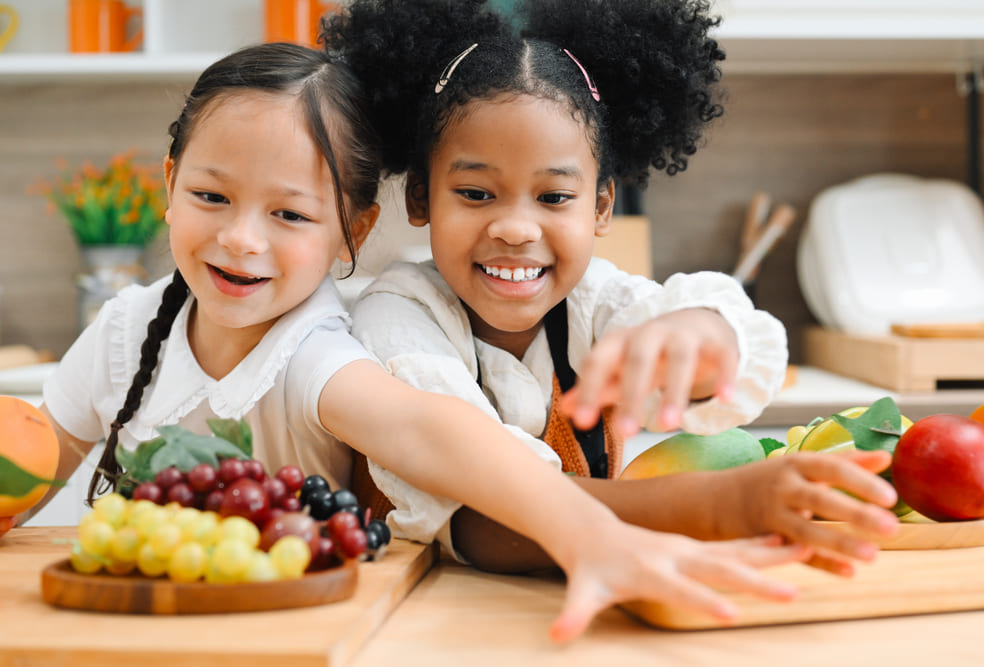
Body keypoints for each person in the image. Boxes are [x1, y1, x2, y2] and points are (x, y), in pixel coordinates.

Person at [23, 42, 811, 643]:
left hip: (304, 637)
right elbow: (28, 454)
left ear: (353, 229)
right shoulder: (129, 327)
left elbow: (433, 430)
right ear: (168, 183)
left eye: (289, 214)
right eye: (210, 196)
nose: (240, 240)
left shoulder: (315, 353)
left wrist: (595, 529)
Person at [324, 0, 900, 577]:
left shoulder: (593, 300)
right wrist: (710, 507)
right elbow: (481, 515)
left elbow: (712, 334)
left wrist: (701, 334)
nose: (517, 228)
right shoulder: (395, 317)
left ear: (601, 206)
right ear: (421, 198)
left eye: (554, 197)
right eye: (476, 194)